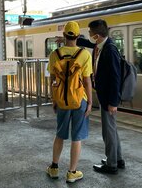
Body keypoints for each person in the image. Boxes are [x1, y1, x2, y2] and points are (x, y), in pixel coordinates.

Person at [76, 19, 125, 174]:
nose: (89, 35)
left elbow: (115, 78)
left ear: (96, 35)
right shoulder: (101, 45)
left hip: (108, 99)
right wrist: (72, 39)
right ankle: (118, 159)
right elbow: (88, 44)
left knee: (108, 131)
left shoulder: (109, 50)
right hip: (106, 96)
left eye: (90, 33)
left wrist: (112, 102)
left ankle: (111, 165)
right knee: (112, 129)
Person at [46, 21, 93, 183]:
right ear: (78, 36)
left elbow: (52, 80)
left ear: (64, 36)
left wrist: (54, 99)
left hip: (61, 100)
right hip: (79, 100)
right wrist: (90, 103)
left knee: (60, 134)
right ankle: (72, 172)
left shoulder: (54, 54)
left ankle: (54, 168)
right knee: (76, 137)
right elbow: (87, 82)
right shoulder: (84, 55)